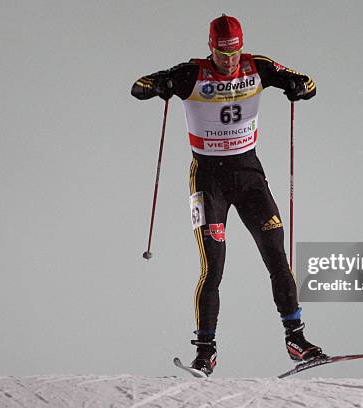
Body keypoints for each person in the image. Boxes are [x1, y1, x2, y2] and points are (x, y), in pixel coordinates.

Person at [131, 14, 322, 375]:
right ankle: (205, 353)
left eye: (234, 54)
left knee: (276, 255)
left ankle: (296, 340)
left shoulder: (257, 67)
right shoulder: (193, 72)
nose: (230, 62)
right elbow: (138, 86)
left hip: (249, 175)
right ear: (211, 48)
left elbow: (308, 83)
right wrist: (160, 85)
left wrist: (299, 87)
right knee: (213, 267)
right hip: (208, 180)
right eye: (222, 54)